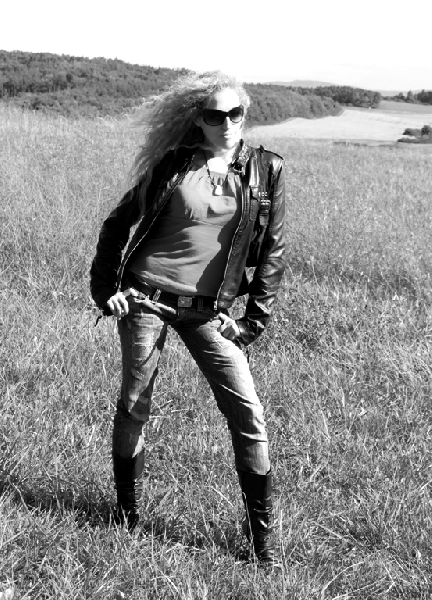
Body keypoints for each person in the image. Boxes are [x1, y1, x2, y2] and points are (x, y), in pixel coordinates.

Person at [90, 71, 286, 565]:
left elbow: (272, 253)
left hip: (208, 311)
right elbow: (117, 222)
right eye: (215, 115)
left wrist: (251, 322)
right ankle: (126, 517)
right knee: (134, 404)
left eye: (234, 113)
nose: (226, 123)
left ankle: (262, 546)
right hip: (146, 297)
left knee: (248, 413)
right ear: (198, 119)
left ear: (245, 114)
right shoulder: (175, 164)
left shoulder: (266, 171)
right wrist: (108, 292)